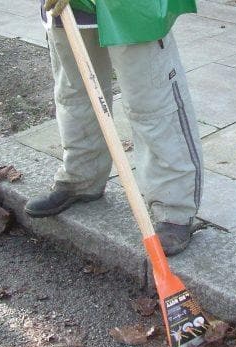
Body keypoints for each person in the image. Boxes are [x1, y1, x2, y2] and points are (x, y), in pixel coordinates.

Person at [25, 0, 203, 256]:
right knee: (75, 95)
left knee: (153, 104)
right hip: (67, 8)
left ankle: (174, 209)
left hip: (132, 8)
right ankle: (82, 177)